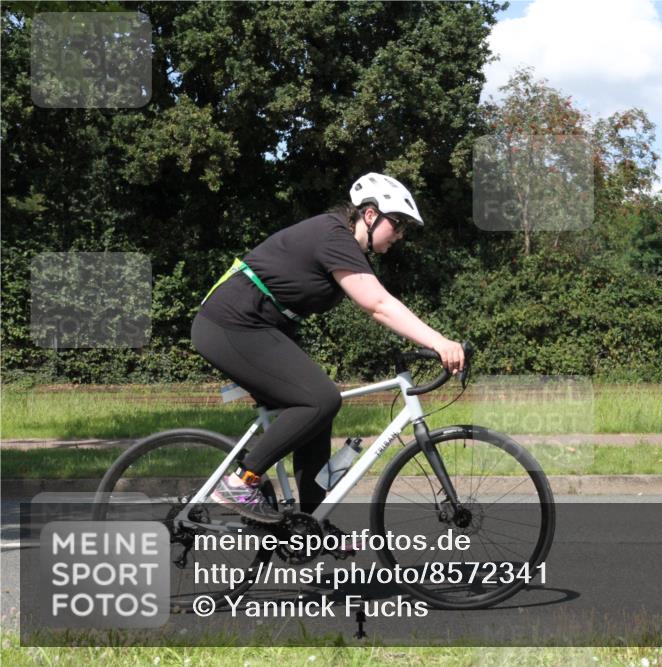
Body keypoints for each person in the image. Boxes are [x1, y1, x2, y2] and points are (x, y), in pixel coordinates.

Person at [191, 173, 464, 523]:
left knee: (317, 412)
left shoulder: (343, 244)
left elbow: (376, 300)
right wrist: (439, 342)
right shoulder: (333, 235)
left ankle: (312, 521)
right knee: (321, 399)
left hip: (254, 327)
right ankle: (241, 483)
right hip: (230, 324)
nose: (400, 235)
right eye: (397, 224)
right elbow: (378, 304)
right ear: (370, 215)